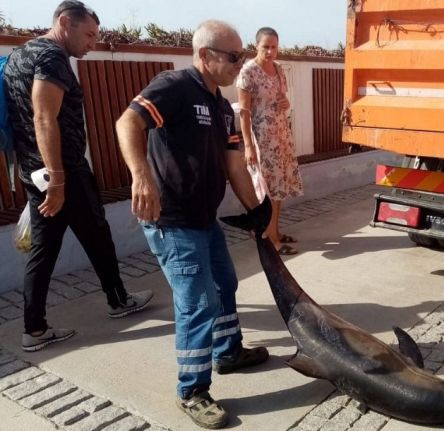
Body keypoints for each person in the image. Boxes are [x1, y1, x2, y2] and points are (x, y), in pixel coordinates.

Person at [115, 20, 271, 430]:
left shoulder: (221, 106)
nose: (241, 63)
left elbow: (233, 163)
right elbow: (127, 122)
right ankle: (192, 390)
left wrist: (256, 209)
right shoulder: (173, 87)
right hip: (174, 220)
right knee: (198, 304)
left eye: (242, 55)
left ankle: (228, 353)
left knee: (225, 286)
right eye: (235, 56)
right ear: (205, 56)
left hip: (205, 219)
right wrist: (140, 175)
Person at [3, 0, 153, 353]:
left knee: (50, 246)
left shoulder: (20, 55)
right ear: (65, 23)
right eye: (88, 34)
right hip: (62, 170)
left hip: (33, 169)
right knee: (96, 234)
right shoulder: (52, 58)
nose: (92, 43)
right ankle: (117, 301)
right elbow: (43, 118)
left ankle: (35, 329)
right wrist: (58, 179)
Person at [237, 27, 304, 255]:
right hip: (262, 140)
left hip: (281, 137)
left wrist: (287, 103)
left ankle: (275, 230)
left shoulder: (278, 69)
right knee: (266, 192)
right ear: (256, 46)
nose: (270, 51)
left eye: (274, 47)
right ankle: (270, 239)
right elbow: (244, 112)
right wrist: (247, 146)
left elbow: (282, 98)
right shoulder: (248, 72)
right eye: (265, 46)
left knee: (279, 188)